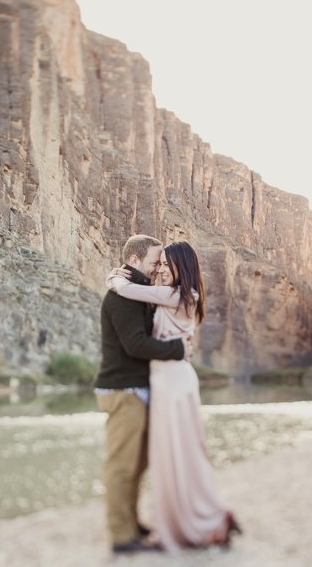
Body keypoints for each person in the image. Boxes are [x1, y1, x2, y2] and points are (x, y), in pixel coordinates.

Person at [106, 240, 241, 553]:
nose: (162, 269)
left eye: (168, 264)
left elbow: (128, 291)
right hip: (169, 383)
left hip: (174, 385)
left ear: (183, 266)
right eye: (160, 264)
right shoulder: (179, 296)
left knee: (177, 457)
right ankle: (200, 521)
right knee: (174, 457)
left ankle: (201, 523)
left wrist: (113, 278)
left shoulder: (178, 295)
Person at [93, 234, 191, 554]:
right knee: (121, 466)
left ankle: (132, 524)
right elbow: (135, 344)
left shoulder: (135, 292)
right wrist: (177, 349)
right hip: (122, 391)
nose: (156, 269)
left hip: (136, 391)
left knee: (136, 464)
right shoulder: (122, 297)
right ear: (134, 261)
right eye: (153, 262)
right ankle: (122, 536)